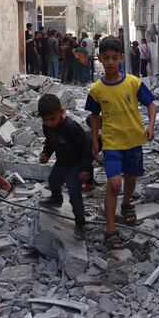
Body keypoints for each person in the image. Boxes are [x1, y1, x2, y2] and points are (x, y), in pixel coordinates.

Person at [86, 37, 157, 249]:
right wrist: (95, 140)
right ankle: (110, 230)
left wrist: (151, 126)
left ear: (122, 58)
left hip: (133, 140)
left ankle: (126, 204)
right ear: (99, 58)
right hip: (112, 142)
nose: (110, 62)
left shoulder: (133, 83)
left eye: (114, 58)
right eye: (106, 58)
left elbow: (151, 104)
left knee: (131, 179)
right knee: (115, 184)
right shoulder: (96, 89)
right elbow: (94, 116)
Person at [38, 94, 93, 240]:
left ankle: (80, 223)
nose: (49, 123)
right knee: (53, 180)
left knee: (74, 195)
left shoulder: (71, 127)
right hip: (62, 162)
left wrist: (86, 169)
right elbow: (50, 142)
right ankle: (56, 199)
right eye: (45, 120)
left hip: (75, 165)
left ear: (61, 112)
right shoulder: (47, 127)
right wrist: (46, 154)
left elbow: (86, 149)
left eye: (52, 119)